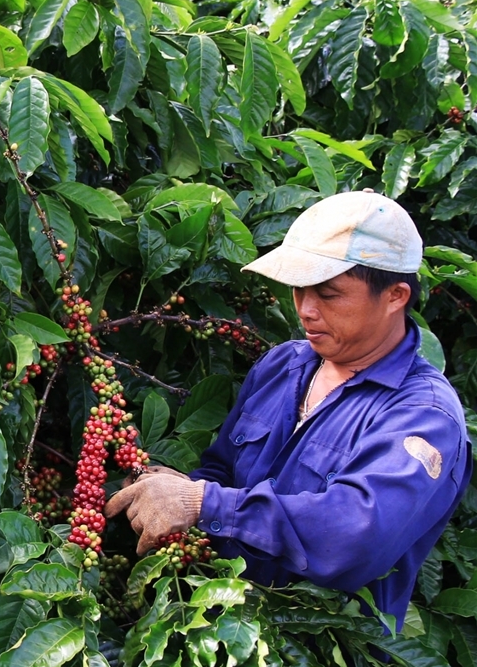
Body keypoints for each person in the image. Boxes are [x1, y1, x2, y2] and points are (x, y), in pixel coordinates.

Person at [105, 190, 471, 629]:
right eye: (299, 289)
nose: (306, 310)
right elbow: (222, 472)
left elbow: (354, 537)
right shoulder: (284, 364)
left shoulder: (424, 416)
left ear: (395, 296)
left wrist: (202, 502)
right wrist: (181, 490)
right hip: (217, 628)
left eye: (329, 294)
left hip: (318, 666)